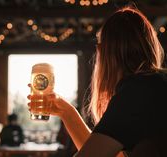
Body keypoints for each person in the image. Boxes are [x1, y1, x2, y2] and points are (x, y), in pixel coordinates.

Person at [28, 6, 167, 157]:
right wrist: (66, 112)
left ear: (103, 52)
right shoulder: (153, 84)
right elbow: (111, 153)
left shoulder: (136, 91)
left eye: (99, 45)